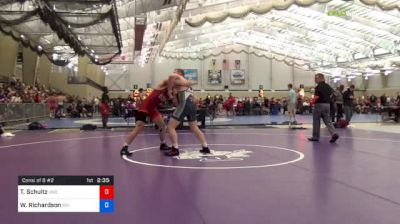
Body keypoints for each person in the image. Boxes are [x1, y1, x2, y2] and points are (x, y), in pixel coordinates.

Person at [120, 74, 180, 156]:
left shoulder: (172, 92)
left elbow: (176, 103)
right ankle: (124, 147)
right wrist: (172, 87)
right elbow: (170, 78)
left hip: (152, 109)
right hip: (145, 106)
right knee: (139, 127)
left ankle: (163, 144)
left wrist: (175, 94)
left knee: (162, 126)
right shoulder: (162, 85)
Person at [164, 69, 211, 156]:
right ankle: (205, 147)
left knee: (170, 126)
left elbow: (171, 77)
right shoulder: (184, 84)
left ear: (180, 74)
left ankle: (175, 148)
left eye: (175, 72)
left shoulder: (178, 79)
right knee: (194, 127)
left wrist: (168, 90)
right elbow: (194, 99)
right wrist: (174, 93)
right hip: (191, 105)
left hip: (185, 104)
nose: (173, 73)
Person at [308, 73, 339, 143]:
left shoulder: (318, 87)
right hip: (327, 105)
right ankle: (334, 133)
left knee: (316, 121)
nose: (315, 80)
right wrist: (330, 99)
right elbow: (335, 94)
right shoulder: (328, 86)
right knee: (328, 121)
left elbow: (316, 97)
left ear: (321, 78)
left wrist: (311, 102)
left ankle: (315, 137)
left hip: (319, 105)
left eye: (316, 78)